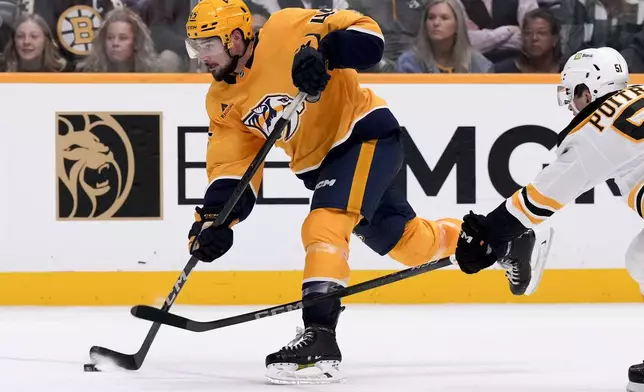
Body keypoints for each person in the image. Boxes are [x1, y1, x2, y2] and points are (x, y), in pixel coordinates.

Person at [451, 46, 644, 392]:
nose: (571, 105)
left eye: (572, 94)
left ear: (588, 91)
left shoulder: (595, 131)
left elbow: (538, 201)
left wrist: (488, 233)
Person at [396, 0, 492, 73]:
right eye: (431, 18)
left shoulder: (478, 63)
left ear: (457, 26)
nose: (436, 23)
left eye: (444, 18)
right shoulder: (408, 63)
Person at [76, 7, 159, 72]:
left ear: (136, 42)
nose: (115, 43)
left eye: (123, 38)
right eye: (110, 38)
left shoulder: (152, 72)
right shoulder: (86, 72)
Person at [494, 8, 562, 73]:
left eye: (541, 33)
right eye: (528, 33)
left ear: (554, 39)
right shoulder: (503, 71)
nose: (534, 38)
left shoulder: (569, 72)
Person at [1, 13, 69, 72]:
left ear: (45, 40)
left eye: (34, 36)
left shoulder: (66, 71)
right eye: (20, 36)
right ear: (14, 40)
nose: (26, 42)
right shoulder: (2, 69)